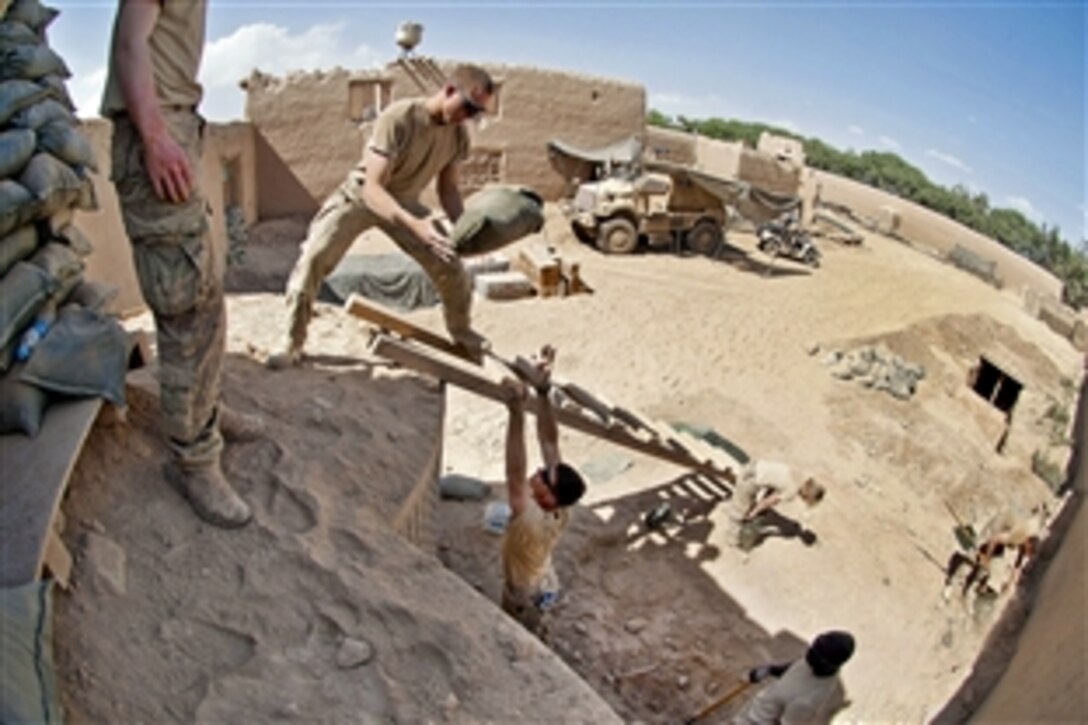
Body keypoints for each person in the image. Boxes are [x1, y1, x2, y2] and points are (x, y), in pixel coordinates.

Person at [102, 0, 259, 528]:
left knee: (207, 295)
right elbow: (131, 44)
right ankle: (193, 459)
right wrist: (154, 138)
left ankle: (205, 413)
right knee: (186, 309)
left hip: (175, 129)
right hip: (158, 133)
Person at [266, 65, 495, 369]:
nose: (469, 116)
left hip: (405, 203)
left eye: (476, 112)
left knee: (451, 266)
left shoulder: (457, 137)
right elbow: (374, 189)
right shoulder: (399, 117)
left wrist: (465, 231)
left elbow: (449, 190)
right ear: (450, 90)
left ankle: (463, 336)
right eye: (468, 106)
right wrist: (416, 226)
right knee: (314, 257)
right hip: (361, 198)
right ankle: (291, 341)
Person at [499, 346, 587, 635]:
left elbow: (514, 474)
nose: (536, 471)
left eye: (542, 476)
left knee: (519, 636)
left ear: (548, 496)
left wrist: (516, 414)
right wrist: (543, 392)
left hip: (524, 594)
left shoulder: (529, 520)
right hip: (543, 576)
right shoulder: (559, 503)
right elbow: (549, 442)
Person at [734, 630, 855, 725]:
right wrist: (769, 670)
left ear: (827, 663)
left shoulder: (807, 701)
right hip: (757, 710)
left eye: (816, 654)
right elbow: (794, 669)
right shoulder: (813, 663)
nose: (809, 655)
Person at [944, 503, 1047, 599]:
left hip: (1005, 530)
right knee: (977, 550)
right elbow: (995, 539)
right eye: (1028, 552)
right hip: (998, 526)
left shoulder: (1024, 540)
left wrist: (1010, 584)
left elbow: (1018, 565)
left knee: (990, 560)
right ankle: (954, 569)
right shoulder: (1018, 535)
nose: (1025, 555)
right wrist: (987, 557)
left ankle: (969, 584)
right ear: (1028, 544)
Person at [725, 459, 825, 550]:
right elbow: (768, 502)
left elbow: (774, 484)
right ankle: (732, 540)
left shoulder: (799, 474)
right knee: (738, 510)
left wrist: (757, 505)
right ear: (807, 496)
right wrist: (753, 513)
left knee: (744, 499)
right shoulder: (792, 490)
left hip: (753, 466)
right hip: (751, 481)